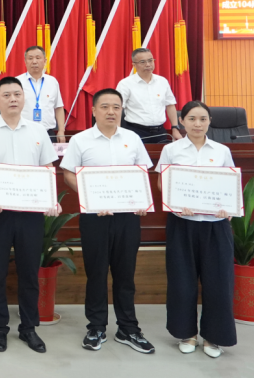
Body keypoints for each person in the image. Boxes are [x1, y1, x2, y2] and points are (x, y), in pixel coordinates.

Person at [60, 88, 156, 354]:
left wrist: (142, 200)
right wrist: (90, 198)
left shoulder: (133, 138)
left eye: (116, 107)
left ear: (122, 110)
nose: (111, 111)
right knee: (97, 273)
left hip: (128, 217)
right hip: (95, 217)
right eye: (105, 107)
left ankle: (128, 328)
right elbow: (68, 174)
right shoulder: (80, 140)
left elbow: (142, 173)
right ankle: (96, 327)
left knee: (125, 274)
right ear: (93, 111)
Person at [0, 77, 58, 354]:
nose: (12, 99)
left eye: (17, 94)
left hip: (31, 214)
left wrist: (50, 200)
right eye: (6, 95)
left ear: (24, 98)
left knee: (29, 273)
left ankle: (29, 328)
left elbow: (48, 170)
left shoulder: (38, 131)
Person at [155, 101, 236, 358]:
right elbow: (162, 183)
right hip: (182, 224)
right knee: (182, 281)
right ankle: (187, 333)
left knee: (218, 283)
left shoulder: (222, 151)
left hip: (215, 226)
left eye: (202, 119)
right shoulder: (171, 149)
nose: (197, 124)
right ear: (182, 121)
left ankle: (214, 337)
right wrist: (176, 202)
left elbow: (230, 185)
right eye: (191, 119)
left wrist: (226, 208)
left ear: (210, 121)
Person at [116, 48, 182, 144]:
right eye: (142, 62)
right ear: (134, 65)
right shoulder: (125, 84)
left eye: (150, 60)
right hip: (135, 131)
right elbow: (118, 108)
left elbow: (170, 105)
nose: (148, 64)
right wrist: (118, 131)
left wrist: (175, 128)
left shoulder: (162, 81)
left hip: (160, 132)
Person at [16, 46, 66, 142]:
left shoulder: (52, 82)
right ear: (25, 62)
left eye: (38, 58)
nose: (34, 61)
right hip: (23, 133)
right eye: (30, 58)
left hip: (48, 134)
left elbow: (59, 107)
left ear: (44, 61)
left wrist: (61, 130)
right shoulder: (17, 82)